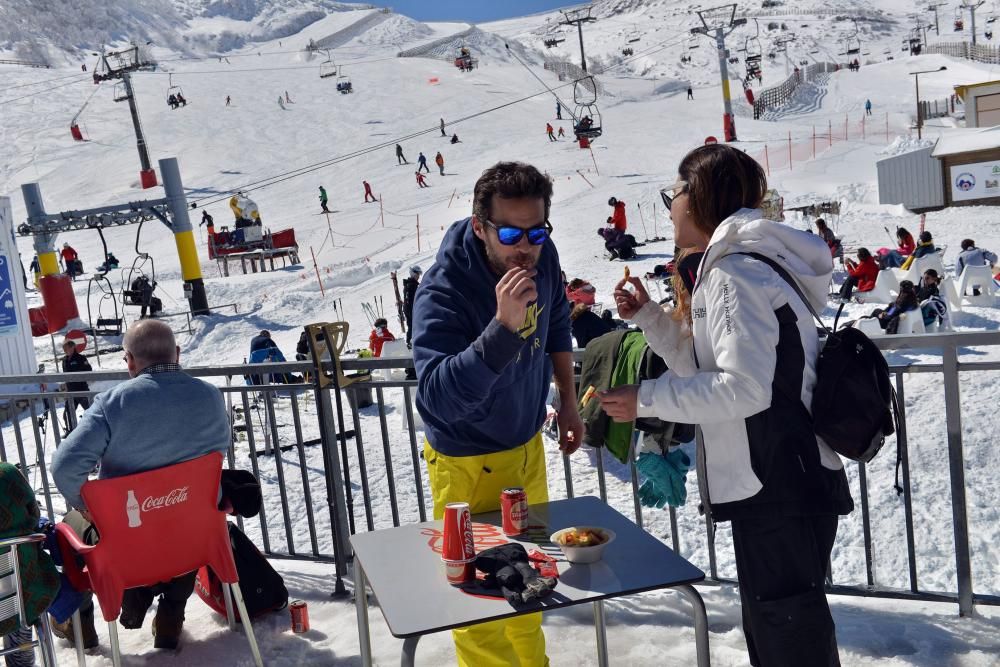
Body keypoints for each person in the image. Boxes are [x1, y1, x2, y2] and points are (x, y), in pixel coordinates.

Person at [599, 144, 853, 666]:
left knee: (789, 641)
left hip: (778, 481)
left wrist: (646, 397)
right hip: (777, 480)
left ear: (697, 200)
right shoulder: (737, 266)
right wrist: (650, 317)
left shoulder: (735, 273)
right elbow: (703, 369)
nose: (670, 206)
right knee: (778, 632)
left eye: (675, 193)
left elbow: (743, 389)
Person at [411, 161, 584, 666]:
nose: (525, 246)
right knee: (481, 602)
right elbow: (436, 400)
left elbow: (555, 325)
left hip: (525, 447)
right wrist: (501, 331)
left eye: (536, 231)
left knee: (530, 582)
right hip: (467, 461)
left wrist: (567, 402)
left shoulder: (540, 257)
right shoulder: (443, 291)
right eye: (509, 232)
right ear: (478, 226)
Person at [50, 320, 232, 651]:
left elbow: (64, 467)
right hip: (194, 534)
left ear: (130, 361)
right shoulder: (211, 397)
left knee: (65, 530)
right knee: (181, 513)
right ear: (177, 354)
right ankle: (171, 616)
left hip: (128, 539)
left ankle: (81, 625)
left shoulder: (113, 404)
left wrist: (90, 510)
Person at [60, 339, 92, 435]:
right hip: (71, 392)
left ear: (72, 347)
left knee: (91, 411)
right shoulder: (64, 360)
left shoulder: (81, 358)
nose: (65, 350)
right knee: (68, 413)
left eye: (66, 348)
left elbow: (89, 370)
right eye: (64, 349)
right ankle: (71, 432)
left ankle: (96, 429)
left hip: (82, 390)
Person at [403, 265, 422, 347]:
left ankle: (410, 342)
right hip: (411, 309)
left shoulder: (408, 284)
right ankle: (411, 342)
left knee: (411, 325)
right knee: (413, 325)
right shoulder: (412, 285)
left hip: (408, 309)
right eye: (418, 274)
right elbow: (411, 300)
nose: (418, 276)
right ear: (414, 274)